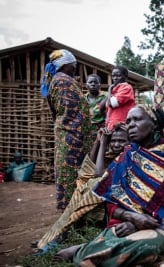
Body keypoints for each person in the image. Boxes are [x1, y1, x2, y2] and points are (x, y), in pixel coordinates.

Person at [54, 105, 164, 266]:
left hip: (160, 226)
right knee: (121, 240)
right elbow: (111, 201)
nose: (131, 125)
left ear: (154, 123)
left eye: (137, 119)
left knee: (147, 246)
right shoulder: (126, 156)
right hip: (126, 223)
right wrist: (131, 217)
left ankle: (86, 251)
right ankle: (90, 252)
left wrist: (140, 224)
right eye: (128, 121)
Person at [35, 123, 130, 253]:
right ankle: (55, 235)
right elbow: (88, 168)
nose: (116, 144)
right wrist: (99, 141)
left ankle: (62, 234)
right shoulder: (111, 155)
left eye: (121, 141)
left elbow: (99, 173)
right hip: (105, 196)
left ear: (130, 142)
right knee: (86, 186)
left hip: (119, 201)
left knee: (95, 184)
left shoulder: (128, 156)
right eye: (113, 141)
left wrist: (103, 144)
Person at [40, 49, 92, 210]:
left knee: (68, 172)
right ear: (65, 65)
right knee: (71, 173)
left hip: (68, 135)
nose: (75, 67)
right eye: (73, 64)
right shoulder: (63, 81)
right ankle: (70, 212)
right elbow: (72, 112)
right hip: (72, 137)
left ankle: (71, 210)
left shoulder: (58, 80)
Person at [105, 65, 135, 130]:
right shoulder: (115, 89)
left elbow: (111, 104)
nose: (115, 78)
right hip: (111, 125)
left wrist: (109, 89)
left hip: (121, 126)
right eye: (113, 76)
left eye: (118, 75)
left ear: (126, 77)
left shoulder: (127, 88)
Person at [85, 74, 107, 139]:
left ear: (100, 85)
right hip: (87, 131)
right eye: (90, 82)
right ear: (86, 85)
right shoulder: (82, 99)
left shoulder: (106, 96)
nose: (93, 84)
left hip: (103, 130)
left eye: (96, 82)